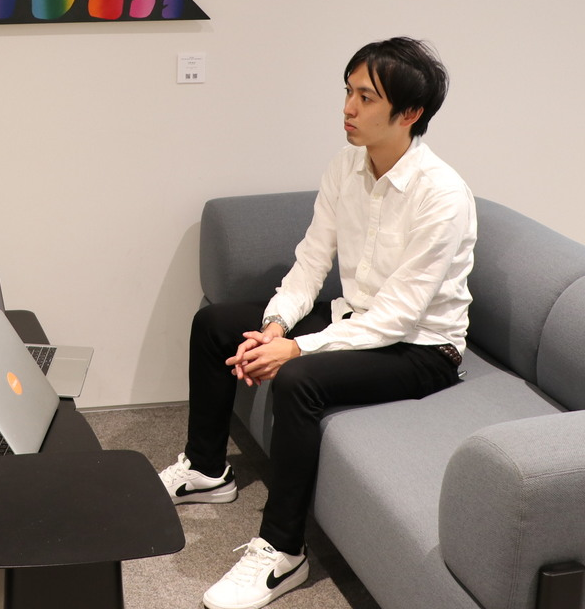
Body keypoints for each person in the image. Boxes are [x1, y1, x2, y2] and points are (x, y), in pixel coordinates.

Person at [158, 37, 475, 609]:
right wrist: (277, 326)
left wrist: (298, 353)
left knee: (297, 381)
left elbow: (399, 316)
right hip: (356, 322)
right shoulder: (345, 166)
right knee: (214, 324)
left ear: (409, 113)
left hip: (422, 349)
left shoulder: (443, 196)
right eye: (348, 92)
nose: (348, 108)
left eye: (366, 98)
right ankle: (206, 471)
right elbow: (310, 263)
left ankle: (284, 552)